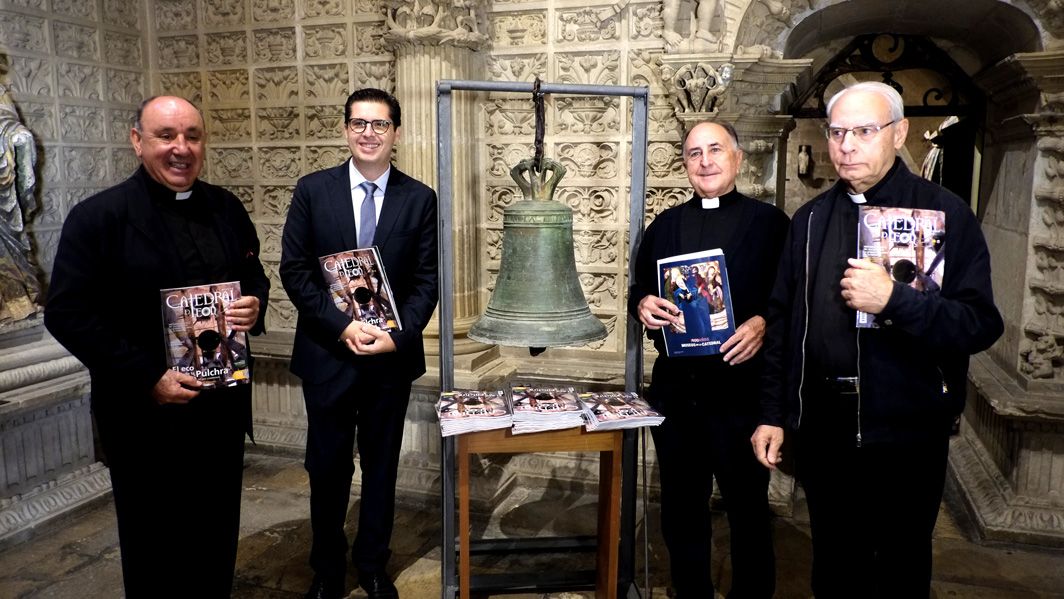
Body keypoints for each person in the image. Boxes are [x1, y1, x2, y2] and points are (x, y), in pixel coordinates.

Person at [751, 81, 1003, 598]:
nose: (846, 145)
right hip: (825, 429)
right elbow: (781, 325)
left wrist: (895, 301)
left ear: (899, 133)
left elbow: (980, 323)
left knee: (900, 570)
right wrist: (773, 413)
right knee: (834, 567)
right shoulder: (810, 219)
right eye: (838, 132)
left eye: (864, 131)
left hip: (907, 432)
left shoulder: (945, 213)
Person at [44, 95, 269, 598]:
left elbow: (252, 274)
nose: (181, 148)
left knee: (215, 540)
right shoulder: (99, 217)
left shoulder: (226, 207)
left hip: (220, 412)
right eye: (166, 136)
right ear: (137, 141)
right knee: (154, 550)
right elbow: (68, 313)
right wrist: (148, 376)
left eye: (192, 136)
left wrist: (254, 305)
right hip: (146, 418)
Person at [279, 88, 438, 599]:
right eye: (359, 123)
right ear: (347, 129)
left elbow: (426, 282)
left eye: (380, 124)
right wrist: (341, 326)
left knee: (381, 467)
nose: (369, 132)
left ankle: (372, 563)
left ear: (396, 132)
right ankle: (326, 569)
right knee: (326, 469)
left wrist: (397, 335)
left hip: (387, 363)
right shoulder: (313, 190)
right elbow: (295, 270)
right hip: (329, 355)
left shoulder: (420, 198)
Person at [629, 120, 788, 598]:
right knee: (681, 510)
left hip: (742, 392)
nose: (705, 161)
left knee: (748, 511)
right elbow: (640, 285)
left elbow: (792, 302)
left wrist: (762, 323)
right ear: (685, 165)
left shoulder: (771, 224)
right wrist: (643, 304)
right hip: (679, 394)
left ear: (737, 158)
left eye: (715, 150)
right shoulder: (666, 226)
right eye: (694, 153)